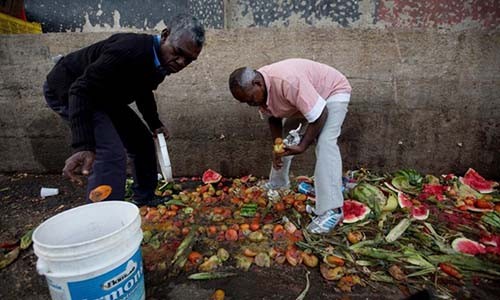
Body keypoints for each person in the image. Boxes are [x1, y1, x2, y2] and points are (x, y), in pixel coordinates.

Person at [43, 14, 205, 205]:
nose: (180, 62)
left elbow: (143, 90)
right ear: (165, 35)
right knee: (110, 152)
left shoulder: (161, 63)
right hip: (70, 89)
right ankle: (103, 218)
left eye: (188, 60)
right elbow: (80, 90)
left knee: (142, 141)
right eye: (178, 52)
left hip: (105, 96)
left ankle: (145, 198)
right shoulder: (128, 49)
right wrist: (83, 145)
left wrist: (154, 123)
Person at [228, 58, 351, 234]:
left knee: (325, 142)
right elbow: (274, 117)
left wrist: (303, 146)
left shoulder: (287, 81)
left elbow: (320, 114)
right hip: (306, 100)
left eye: (250, 99)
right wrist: (277, 147)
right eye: (245, 102)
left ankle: (332, 210)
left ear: (257, 83)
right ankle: (278, 184)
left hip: (332, 92)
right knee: (287, 141)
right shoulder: (260, 86)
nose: (250, 104)